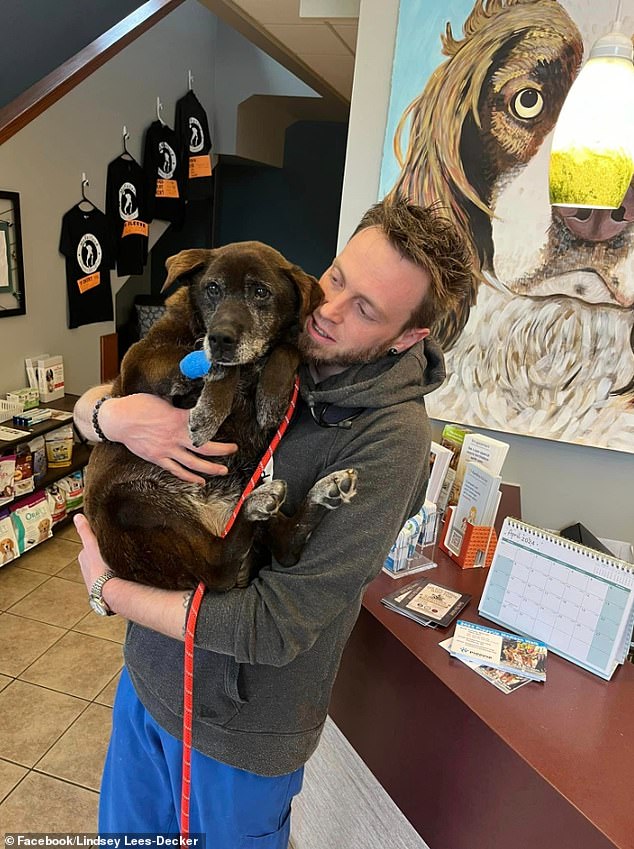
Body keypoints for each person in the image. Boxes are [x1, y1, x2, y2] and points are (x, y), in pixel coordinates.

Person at [73, 200, 473, 847]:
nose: (328, 307)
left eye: (365, 308)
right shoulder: (272, 324)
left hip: (236, 733)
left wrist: (108, 591)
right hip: (149, 681)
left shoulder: (392, 440)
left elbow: (277, 625)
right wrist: (109, 417)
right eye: (337, 277)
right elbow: (129, 383)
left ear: (407, 336)